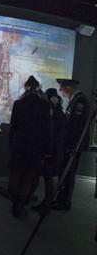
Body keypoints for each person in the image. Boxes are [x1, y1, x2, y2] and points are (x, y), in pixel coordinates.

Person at [6, 76, 51, 217]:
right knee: (28, 178)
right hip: (35, 147)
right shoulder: (44, 105)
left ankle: (15, 203)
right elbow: (47, 130)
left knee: (15, 175)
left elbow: (13, 127)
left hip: (18, 145)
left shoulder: (18, 104)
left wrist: (11, 144)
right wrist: (47, 150)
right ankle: (18, 207)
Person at [53, 78, 93, 210]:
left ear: (69, 88)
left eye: (62, 89)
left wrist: (72, 146)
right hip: (71, 144)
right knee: (64, 172)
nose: (61, 92)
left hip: (73, 145)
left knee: (68, 173)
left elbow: (77, 126)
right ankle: (61, 199)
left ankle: (64, 201)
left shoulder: (80, 101)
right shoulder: (75, 100)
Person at [30, 87, 66, 213]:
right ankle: (46, 202)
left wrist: (46, 152)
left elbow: (50, 134)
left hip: (51, 153)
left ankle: (47, 204)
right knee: (47, 177)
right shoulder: (59, 114)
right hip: (54, 151)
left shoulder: (54, 115)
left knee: (48, 178)